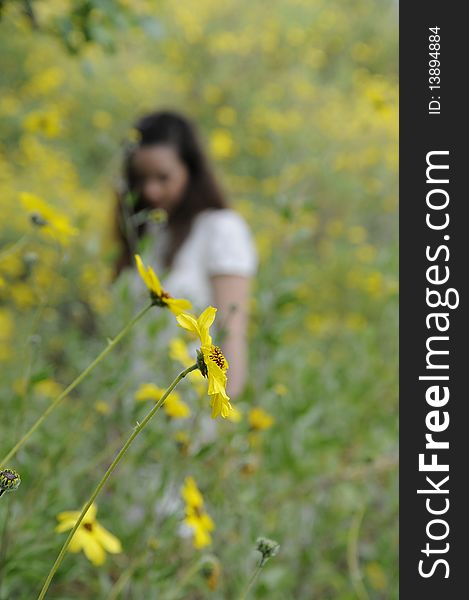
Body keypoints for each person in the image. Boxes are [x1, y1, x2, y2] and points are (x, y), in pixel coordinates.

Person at [113, 110, 258, 399]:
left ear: (191, 170)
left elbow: (232, 336)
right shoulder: (147, 232)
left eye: (163, 177)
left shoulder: (221, 229)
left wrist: (224, 415)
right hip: (133, 406)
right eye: (140, 179)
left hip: (189, 407)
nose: (151, 191)